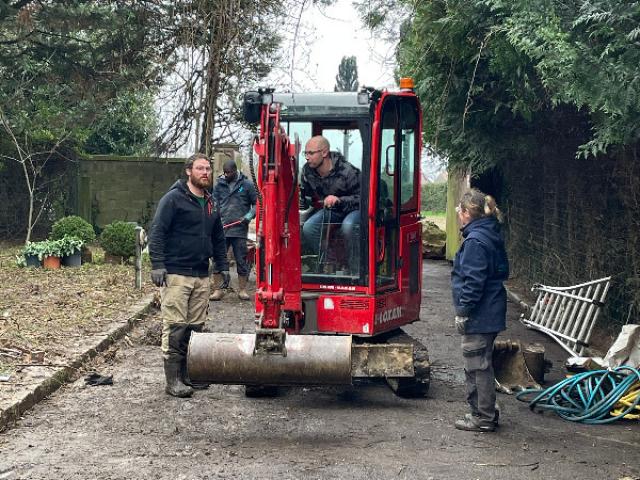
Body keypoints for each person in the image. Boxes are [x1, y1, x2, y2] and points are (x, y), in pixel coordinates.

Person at [148, 153, 230, 398]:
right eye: (200, 169)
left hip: (200, 275)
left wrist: (223, 266)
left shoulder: (210, 202)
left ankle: (187, 375)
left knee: (194, 327)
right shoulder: (173, 199)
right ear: (188, 171)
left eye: (208, 169)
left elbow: (218, 237)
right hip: (175, 274)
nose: (205, 173)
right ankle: (172, 381)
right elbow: (158, 232)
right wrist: (157, 264)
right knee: (175, 326)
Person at [451, 188, 509, 432]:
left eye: (459, 211)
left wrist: (463, 310)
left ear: (466, 213)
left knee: (477, 364)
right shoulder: (488, 234)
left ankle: (482, 417)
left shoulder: (475, 241)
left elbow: (474, 281)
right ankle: (485, 412)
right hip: (491, 309)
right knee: (482, 362)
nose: (458, 216)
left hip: (481, 313)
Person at [299, 135, 360, 264]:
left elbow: (362, 199)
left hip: (354, 209)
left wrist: (339, 199)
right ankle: (329, 262)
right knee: (309, 227)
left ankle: (354, 266)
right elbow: (307, 195)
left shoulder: (348, 172)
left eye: (311, 153)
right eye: (305, 153)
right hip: (331, 211)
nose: (306, 157)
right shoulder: (307, 171)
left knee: (348, 226)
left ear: (324, 152)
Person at [210, 159, 257, 301]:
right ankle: (217, 290)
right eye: (224, 172)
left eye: (229, 172)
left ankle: (242, 290)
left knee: (241, 259)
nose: (226, 175)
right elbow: (213, 203)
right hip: (222, 229)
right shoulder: (219, 185)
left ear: (235, 170)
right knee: (218, 259)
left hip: (239, 229)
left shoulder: (247, 185)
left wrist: (248, 216)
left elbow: (257, 203)